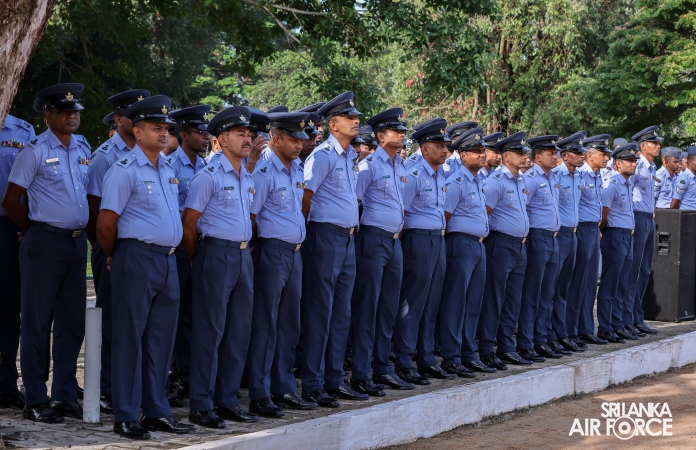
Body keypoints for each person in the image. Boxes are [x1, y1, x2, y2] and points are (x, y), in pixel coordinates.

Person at [97, 95, 194, 439]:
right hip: (136, 258)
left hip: (167, 260)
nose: (164, 133)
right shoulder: (123, 170)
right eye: (156, 127)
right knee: (129, 338)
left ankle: (156, 410)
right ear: (137, 132)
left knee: (160, 341)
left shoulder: (166, 168)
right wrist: (117, 254)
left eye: (166, 128)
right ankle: (125, 414)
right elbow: (105, 224)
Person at [2, 84, 90, 423]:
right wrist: (32, 228)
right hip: (45, 242)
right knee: (37, 323)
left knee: (72, 322)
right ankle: (36, 399)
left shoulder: (82, 146)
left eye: (75, 111)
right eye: (64, 111)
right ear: (47, 116)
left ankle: (64, 393)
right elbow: (11, 199)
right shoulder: (34, 150)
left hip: (75, 243)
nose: (72, 116)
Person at [182, 107, 259, 427]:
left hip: (243, 256)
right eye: (240, 134)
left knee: (238, 331)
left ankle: (227, 400)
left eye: (249, 134)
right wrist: (201, 257)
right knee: (209, 332)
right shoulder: (209, 176)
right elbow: (189, 224)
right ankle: (201, 403)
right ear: (221, 140)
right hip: (215, 254)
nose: (247, 139)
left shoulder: (247, 176)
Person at [245, 112, 319, 417]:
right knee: (266, 323)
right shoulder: (264, 172)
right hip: (271, 251)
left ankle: (283, 386)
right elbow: (250, 215)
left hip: (293, 253)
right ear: (275, 140)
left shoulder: (297, 169)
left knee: (290, 323)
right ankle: (259, 392)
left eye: (300, 139)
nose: (299, 144)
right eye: (292, 139)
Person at [298, 92, 365, 407]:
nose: (356, 122)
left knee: (341, 312)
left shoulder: (349, 156)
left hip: (347, 239)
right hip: (324, 236)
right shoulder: (323, 155)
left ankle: (334, 379)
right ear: (333, 124)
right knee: (320, 311)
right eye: (350, 118)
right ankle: (312, 383)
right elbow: (305, 198)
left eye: (356, 117)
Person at [87, 88, 150, 414]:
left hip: (137, 253)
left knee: (137, 323)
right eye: (131, 115)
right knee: (113, 321)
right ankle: (108, 389)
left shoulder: (149, 153)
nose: (137, 120)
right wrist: (106, 250)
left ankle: (134, 388)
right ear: (119, 119)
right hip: (112, 247)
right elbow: (95, 212)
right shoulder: (105, 156)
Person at [349, 108, 415, 396]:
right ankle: (361, 372)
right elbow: (354, 202)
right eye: (395, 131)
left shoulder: (399, 165)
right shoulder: (369, 166)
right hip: (373, 239)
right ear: (380, 136)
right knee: (368, 307)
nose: (402, 135)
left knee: (388, 307)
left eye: (402, 131)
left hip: (394, 241)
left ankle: (382, 368)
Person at [392, 118, 456, 384]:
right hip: (417, 240)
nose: (445, 150)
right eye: (439, 145)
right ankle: (404, 360)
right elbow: (402, 214)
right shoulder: (414, 174)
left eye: (445, 145)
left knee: (431, 302)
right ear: (424, 147)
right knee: (412, 302)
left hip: (437, 240)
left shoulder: (441, 173)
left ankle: (426, 358)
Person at [439, 128, 493, 375]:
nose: (482, 155)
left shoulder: (479, 180)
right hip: (460, 244)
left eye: (483, 151)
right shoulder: (456, 182)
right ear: (462, 156)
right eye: (476, 151)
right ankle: (451, 356)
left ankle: (468, 352)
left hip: (479, 244)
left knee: (473, 302)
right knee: (456, 301)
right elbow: (444, 217)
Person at [167, 105, 210, 400]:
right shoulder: (170, 165)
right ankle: (173, 373)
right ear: (183, 135)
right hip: (180, 248)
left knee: (195, 313)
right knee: (176, 312)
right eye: (199, 131)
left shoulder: (206, 167)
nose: (206, 136)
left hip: (201, 246)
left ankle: (189, 374)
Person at [478, 132, 530, 370]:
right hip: (500, 243)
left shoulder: (520, 181)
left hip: (519, 245)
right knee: (494, 298)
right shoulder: (496, 182)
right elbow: (484, 215)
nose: (524, 156)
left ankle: (507, 345)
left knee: (513, 299)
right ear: (506, 156)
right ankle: (487, 348)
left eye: (524, 152)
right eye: (519, 153)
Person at [0, 114, 35, 410]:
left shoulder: (23, 130)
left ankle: (6, 384)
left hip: (8, 228)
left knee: (9, 309)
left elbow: (35, 183)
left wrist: (28, 226)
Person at [516, 135, 561, 363]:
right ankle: (526, 342)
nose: (555, 157)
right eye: (550, 153)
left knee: (547, 293)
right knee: (532, 293)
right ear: (538, 156)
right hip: (537, 237)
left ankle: (540, 338)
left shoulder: (553, 177)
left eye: (555, 153)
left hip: (553, 239)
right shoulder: (531, 179)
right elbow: (522, 208)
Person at [568, 135, 611, 346]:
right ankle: (572, 329)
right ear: (590, 155)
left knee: (590, 282)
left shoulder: (597, 176)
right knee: (578, 281)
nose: (606, 158)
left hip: (593, 230)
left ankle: (585, 328)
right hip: (582, 229)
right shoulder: (581, 175)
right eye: (603, 154)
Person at [548, 133, 587, 354]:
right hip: (559, 234)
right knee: (551, 288)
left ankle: (561, 333)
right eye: (577, 152)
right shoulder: (556, 176)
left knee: (564, 287)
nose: (582, 156)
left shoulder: (578, 177)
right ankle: (549, 335)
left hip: (573, 234)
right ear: (565, 156)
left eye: (582, 152)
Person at [596, 143, 639, 344]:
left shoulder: (627, 183)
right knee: (610, 283)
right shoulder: (612, 184)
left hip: (627, 235)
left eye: (634, 160)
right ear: (618, 164)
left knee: (622, 283)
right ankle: (605, 327)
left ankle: (617, 323)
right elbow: (603, 214)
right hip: (614, 234)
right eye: (629, 161)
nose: (633, 164)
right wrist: (605, 233)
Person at [625, 126, 661, 336]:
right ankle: (627, 318)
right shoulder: (637, 166)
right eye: (654, 143)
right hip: (637, 218)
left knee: (645, 269)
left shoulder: (652, 167)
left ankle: (636, 316)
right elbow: (626, 193)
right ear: (643, 146)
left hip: (649, 218)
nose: (658, 146)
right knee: (634, 270)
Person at [671, 146, 696, 210]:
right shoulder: (684, 178)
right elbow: (674, 205)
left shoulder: (694, 177)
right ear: (689, 162)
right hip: (687, 214)